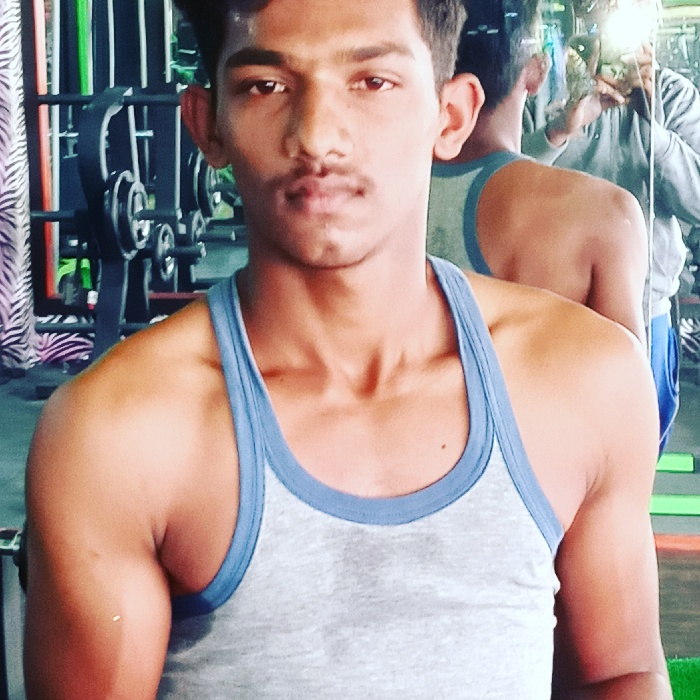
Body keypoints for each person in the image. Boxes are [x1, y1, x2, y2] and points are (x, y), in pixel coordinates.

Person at [23, 0, 671, 697]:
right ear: (207, 124)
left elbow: (620, 672)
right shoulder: (114, 436)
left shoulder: (586, 381)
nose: (317, 137)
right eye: (266, 86)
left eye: (372, 82)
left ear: (451, 115)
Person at [522, 0, 700, 451]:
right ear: (584, 17)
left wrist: (654, 129)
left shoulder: (674, 97)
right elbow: (501, 183)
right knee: (550, 452)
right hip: (551, 306)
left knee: (636, 453)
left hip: (647, 308)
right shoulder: (541, 89)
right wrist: (561, 128)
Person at [427, 0, 648, 344]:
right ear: (537, 72)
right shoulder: (608, 217)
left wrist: (558, 131)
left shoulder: (375, 198)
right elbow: (627, 378)